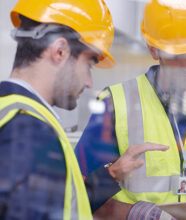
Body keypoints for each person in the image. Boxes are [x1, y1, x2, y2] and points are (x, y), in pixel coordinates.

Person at [75, 0, 186, 218]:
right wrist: (137, 214)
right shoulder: (115, 103)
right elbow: (79, 194)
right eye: (177, 55)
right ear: (154, 50)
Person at [0, 0, 168, 219]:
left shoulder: (12, 111)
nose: (89, 81)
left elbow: (61, 205)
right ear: (59, 51)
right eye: (89, 64)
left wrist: (112, 174)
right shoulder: (29, 131)